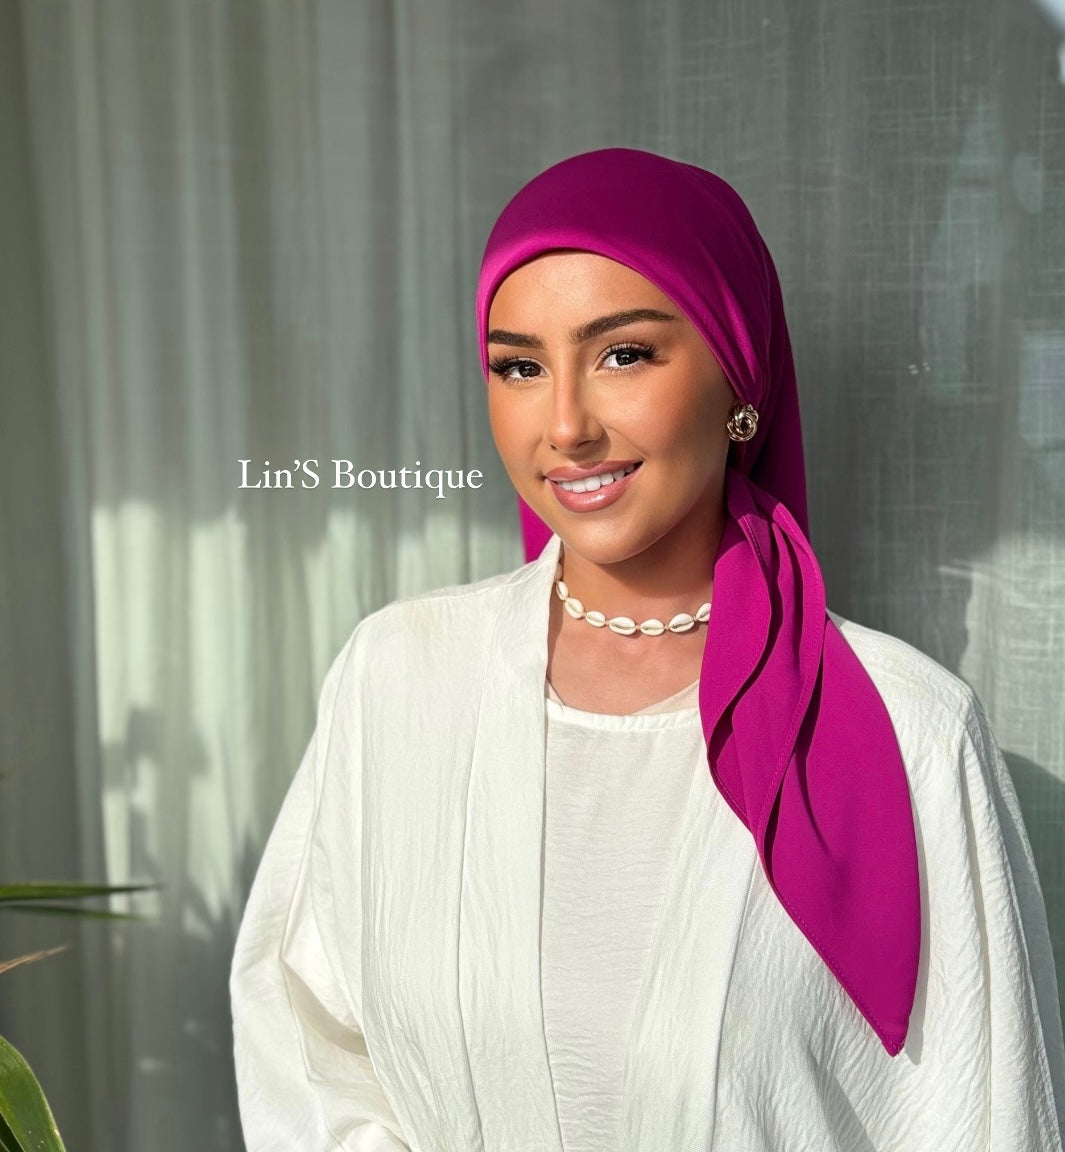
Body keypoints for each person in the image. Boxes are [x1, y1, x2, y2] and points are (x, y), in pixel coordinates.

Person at [230, 148, 1065, 1151]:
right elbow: (308, 1043)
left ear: (738, 379)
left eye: (623, 354)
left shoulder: (910, 732)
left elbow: (986, 1116)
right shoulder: (398, 677)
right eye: (519, 366)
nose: (566, 426)